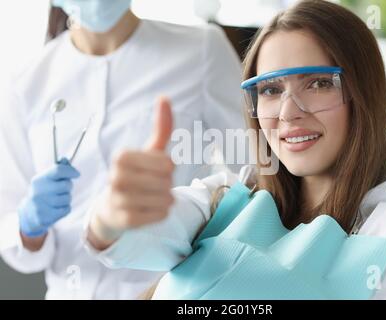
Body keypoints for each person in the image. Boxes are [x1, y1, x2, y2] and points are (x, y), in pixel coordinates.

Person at [84, 0, 386, 299]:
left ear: (363, 93)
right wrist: (111, 216)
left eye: (320, 83)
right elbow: (130, 239)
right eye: (271, 90)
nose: (289, 113)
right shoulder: (224, 201)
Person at [0, 0, 244, 299]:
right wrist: (29, 227)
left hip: (173, 289)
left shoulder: (201, 49)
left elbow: (253, 171)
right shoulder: (24, 82)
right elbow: (12, 231)